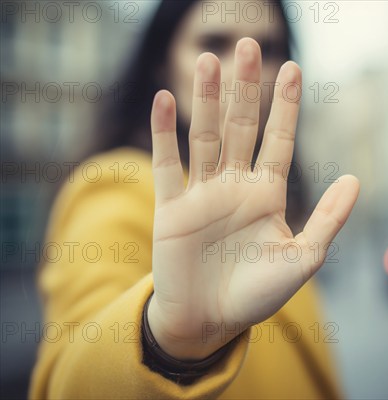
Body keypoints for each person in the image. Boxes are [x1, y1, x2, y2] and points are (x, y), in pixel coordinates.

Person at [29, 1, 360, 399]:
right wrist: (167, 345)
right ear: (162, 64)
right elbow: (70, 381)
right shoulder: (114, 185)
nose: (244, 71)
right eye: (214, 42)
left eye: (267, 49)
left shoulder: (273, 216)